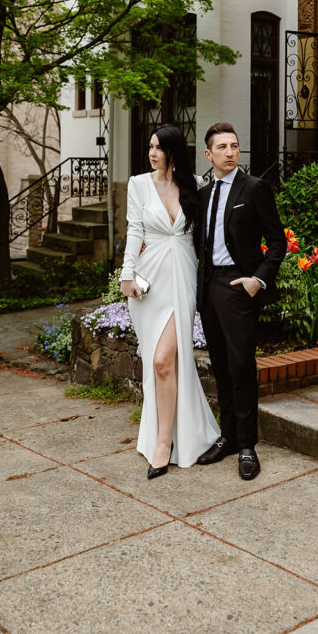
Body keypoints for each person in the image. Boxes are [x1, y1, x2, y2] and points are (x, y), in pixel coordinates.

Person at [120, 124, 220, 479]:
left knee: (165, 360)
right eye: (150, 147)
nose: (152, 153)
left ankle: (165, 443)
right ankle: (165, 438)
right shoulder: (138, 184)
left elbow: (206, 237)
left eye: (159, 148)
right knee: (160, 362)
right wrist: (126, 275)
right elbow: (134, 230)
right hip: (150, 280)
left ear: (173, 151)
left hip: (183, 277)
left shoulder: (194, 184)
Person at [196, 122, 287, 480]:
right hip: (210, 288)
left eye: (234, 146)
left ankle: (248, 445)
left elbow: (277, 242)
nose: (230, 152)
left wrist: (257, 281)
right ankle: (228, 437)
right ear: (209, 154)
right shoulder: (203, 195)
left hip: (238, 286)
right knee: (219, 365)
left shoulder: (254, 188)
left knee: (241, 366)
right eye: (222, 147)